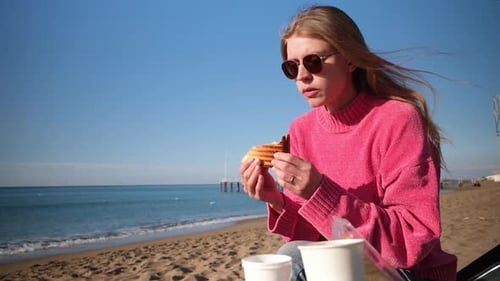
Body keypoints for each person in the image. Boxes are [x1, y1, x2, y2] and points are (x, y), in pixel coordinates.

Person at [239, 5, 457, 281]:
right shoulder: (300, 129)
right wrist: (277, 201)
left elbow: (410, 240)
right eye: (292, 67)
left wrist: (320, 192)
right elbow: (312, 237)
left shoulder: (397, 118)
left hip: (408, 272)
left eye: (314, 61)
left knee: (293, 258)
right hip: (339, 271)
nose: (303, 75)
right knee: (289, 257)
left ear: (350, 59)